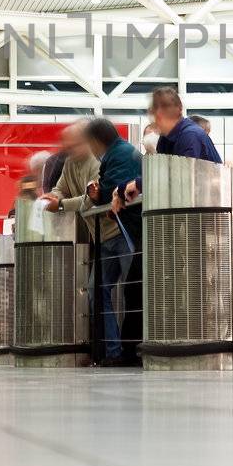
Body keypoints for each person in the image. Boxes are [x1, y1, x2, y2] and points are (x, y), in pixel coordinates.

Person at [42, 124, 109, 357]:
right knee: (93, 291)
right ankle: (101, 349)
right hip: (87, 237)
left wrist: (59, 204)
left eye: (70, 143)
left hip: (105, 235)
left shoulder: (96, 163)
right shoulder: (70, 163)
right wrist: (53, 196)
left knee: (98, 291)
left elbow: (90, 199)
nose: (66, 148)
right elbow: (60, 188)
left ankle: (107, 349)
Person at [85, 117, 146, 365]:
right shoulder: (120, 153)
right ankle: (115, 351)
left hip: (126, 232)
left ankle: (125, 351)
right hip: (118, 233)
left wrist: (100, 193)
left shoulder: (120, 155)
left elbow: (113, 189)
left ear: (96, 142)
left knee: (134, 290)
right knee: (101, 290)